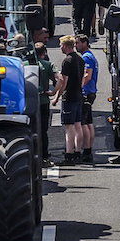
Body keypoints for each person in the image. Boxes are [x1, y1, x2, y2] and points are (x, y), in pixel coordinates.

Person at [51, 36, 86, 165]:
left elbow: (64, 81)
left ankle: (69, 155)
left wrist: (57, 97)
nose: (60, 47)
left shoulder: (67, 61)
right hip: (78, 94)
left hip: (69, 96)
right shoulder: (80, 60)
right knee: (78, 125)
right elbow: (82, 79)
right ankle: (78, 152)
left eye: (61, 45)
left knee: (69, 127)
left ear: (65, 46)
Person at [27, 42, 56, 160]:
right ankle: (44, 154)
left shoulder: (24, 65)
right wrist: (55, 93)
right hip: (44, 100)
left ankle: (30, 153)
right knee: (43, 130)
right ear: (44, 53)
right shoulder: (48, 64)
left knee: (30, 128)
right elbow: (58, 79)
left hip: (29, 101)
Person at [76, 34, 98, 164]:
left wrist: (79, 87)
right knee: (88, 122)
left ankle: (87, 150)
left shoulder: (86, 57)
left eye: (78, 43)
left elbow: (87, 75)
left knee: (84, 123)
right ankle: (88, 150)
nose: (76, 46)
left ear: (85, 42)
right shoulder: (90, 56)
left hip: (87, 91)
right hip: (91, 91)